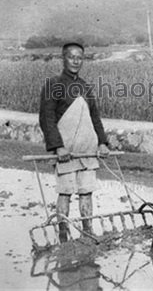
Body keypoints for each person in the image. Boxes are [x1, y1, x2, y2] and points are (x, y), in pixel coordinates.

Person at [39, 42, 109, 242]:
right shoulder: (53, 84)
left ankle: (88, 230)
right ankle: (63, 233)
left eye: (80, 58)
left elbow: (95, 117)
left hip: (87, 150)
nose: (76, 61)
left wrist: (102, 143)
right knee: (66, 192)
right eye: (72, 57)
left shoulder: (85, 87)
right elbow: (47, 118)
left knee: (86, 192)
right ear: (64, 58)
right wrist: (58, 147)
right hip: (66, 151)